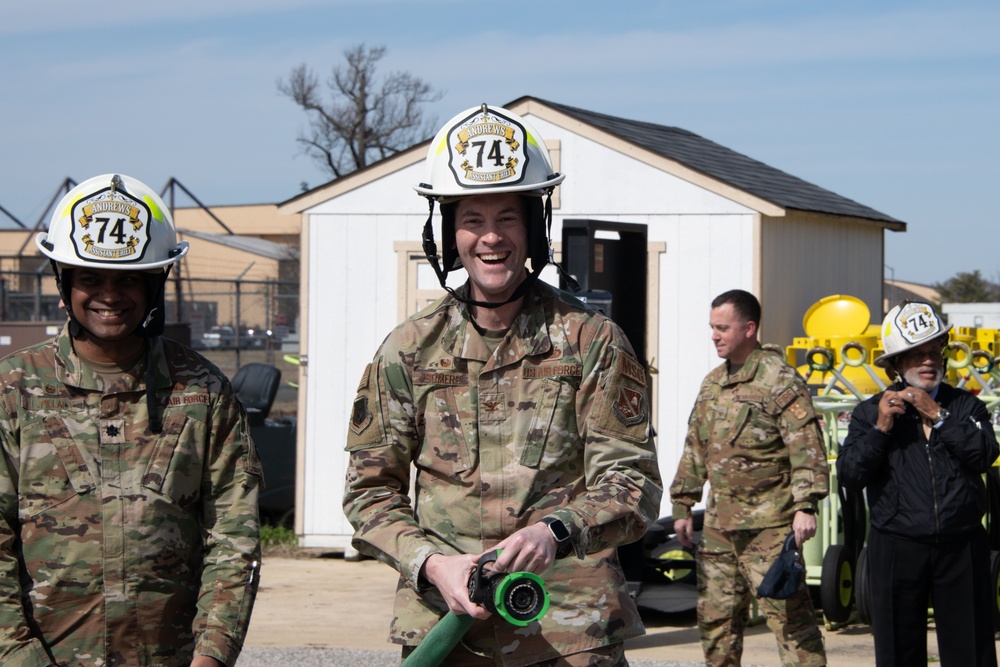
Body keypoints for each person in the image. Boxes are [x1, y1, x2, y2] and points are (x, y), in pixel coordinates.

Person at [343, 104, 663, 666]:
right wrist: (429, 563)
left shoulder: (592, 341)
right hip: (448, 631)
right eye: (472, 220)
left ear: (534, 228)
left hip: (570, 635)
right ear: (449, 232)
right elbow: (369, 491)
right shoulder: (407, 351)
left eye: (508, 219)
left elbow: (631, 483)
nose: (491, 238)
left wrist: (557, 532)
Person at [0, 174, 263, 666]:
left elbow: (234, 534)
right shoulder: (13, 390)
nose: (109, 295)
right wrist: (18, 655)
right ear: (64, 283)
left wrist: (212, 654)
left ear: (153, 285)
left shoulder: (201, 391)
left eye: (128, 278)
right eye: (90, 278)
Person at [670, 289, 829, 667]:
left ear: (749, 328)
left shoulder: (779, 380)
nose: (714, 335)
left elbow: (806, 447)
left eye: (723, 327)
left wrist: (806, 506)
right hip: (719, 528)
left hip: (769, 528)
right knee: (716, 626)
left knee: (791, 624)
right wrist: (682, 503)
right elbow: (696, 446)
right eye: (712, 327)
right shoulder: (713, 383)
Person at [838, 300, 998, 667]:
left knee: (971, 650)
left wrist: (939, 416)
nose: (929, 361)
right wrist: (881, 430)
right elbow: (850, 476)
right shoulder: (870, 412)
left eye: (934, 351)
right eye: (916, 354)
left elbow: (984, 454)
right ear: (895, 364)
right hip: (896, 545)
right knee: (898, 651)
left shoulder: (965, 408)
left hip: (961, 545)